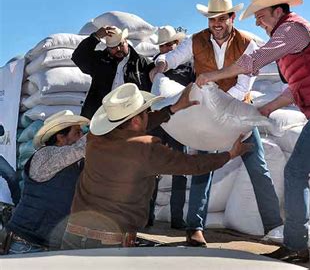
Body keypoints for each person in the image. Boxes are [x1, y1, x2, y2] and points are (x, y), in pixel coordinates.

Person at [195, 0, 310, 264]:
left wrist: (213, 75)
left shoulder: (291, 30)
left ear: (278, 10)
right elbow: (298, 83)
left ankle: (296, 245)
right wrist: (268, 107)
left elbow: (254, 61)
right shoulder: (293, 37)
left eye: (261, 16)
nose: (259, 23)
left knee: (296, 172)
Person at [149, 0, 282, 247]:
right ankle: (194, 228)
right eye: (212, 19)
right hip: (206, 117)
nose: (216, 24)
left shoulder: (247, 44)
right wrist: (161, 64)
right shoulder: (196, 40)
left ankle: (274, 226)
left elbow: (243, 86)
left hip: (238, 115)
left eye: (221, 18)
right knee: (203, 168)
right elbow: (173, 57)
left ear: (232, 18)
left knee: (258, 167)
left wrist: (217, 107)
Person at [61, 83, 252, 250]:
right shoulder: (146, 149)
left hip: (73, 234)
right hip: (110, 245)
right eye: (146, 112)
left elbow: (135, 125)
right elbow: (193, 164)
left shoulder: (95, 138)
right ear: (136, 120)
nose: (148, 115)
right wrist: (230, 154)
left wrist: (172, 109)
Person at [2, 110, 89, 254]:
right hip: (24, 245)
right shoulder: (44, 155)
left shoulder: (73, 163)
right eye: (77, 133)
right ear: (60, 137)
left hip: (44, 246)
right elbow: (79, 150)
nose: (81, 137)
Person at [149, 25, 194, 229]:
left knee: (180, 171)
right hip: (158, 124)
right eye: (163, 45)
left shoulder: (188, 66)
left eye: (170, 44)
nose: (166, 48)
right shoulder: (154, 67)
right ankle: (146, 216)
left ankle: (177, 219)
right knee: (151, 171)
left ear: (178, 44)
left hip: (180, 125)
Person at [72, 25, 154, 119]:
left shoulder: (142, 63)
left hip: (132, 117)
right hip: (101, 117)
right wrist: (95, 37)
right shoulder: (100, 60)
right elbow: (78, 57)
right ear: (107, 48)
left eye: (120, 44)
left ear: (126, 41)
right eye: (113, 47)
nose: (118, 49)